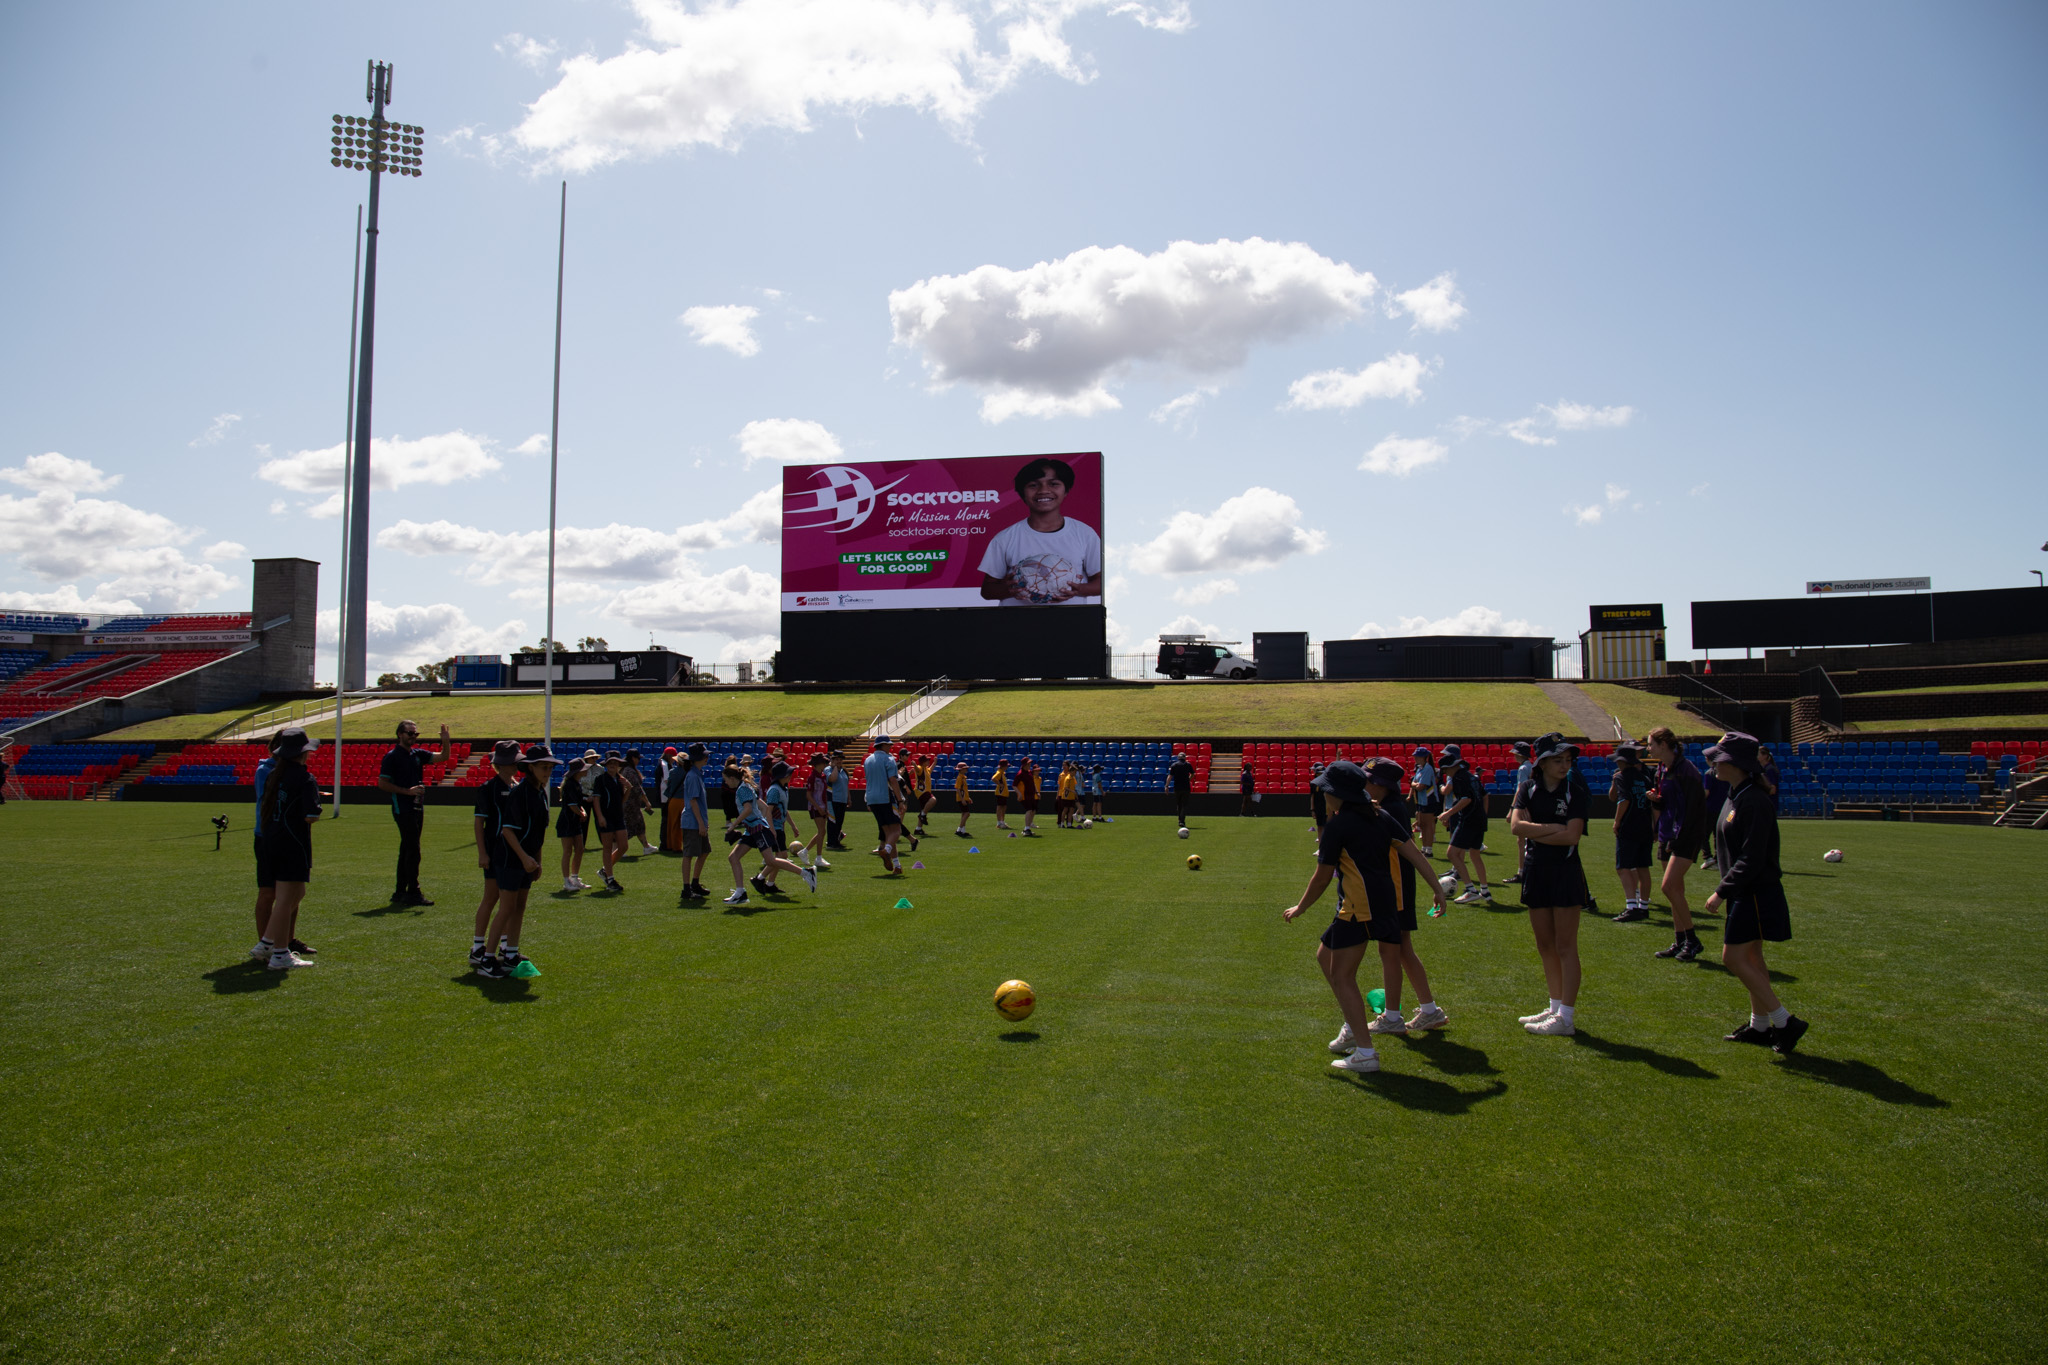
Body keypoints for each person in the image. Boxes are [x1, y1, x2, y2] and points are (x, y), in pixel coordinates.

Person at [1282, 759, 1445, 1075]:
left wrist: (1301, 907)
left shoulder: (1339, 825)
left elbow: (1322, 877)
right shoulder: (1380, 815)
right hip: (1385, 905)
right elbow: (1413, 852)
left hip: (1360, 908)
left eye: (1325, 790)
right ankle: (1353, 1026)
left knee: (1342, 976)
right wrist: (1437, 888)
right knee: (1324, 956)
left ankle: (1365, 1052)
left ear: (1337, 793)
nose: (1322, 794)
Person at [1701, 731, 1808, 1054]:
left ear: (1736, 764)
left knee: (1733, 958)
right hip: (1744, 891)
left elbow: (1752, 857)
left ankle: (1785, 1022)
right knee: (1752, 958)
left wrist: (1720, 892)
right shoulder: (1736, 794)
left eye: (1719, 760)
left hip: (1755, 893)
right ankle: (1760, 1026)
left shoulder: (1754, 800)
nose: (1713, 765)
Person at [1359, 759, 1449, 1035]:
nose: (1363, 784)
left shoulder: (1388, 811)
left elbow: (1406, 852)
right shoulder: (1390, 806)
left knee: (1390, 950)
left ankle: (1392, 1017)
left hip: (1394, 889)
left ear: (1381, 785)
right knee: (1402, 950)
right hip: (1397, 886)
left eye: (1368, 780)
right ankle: (1429, 1010)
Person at [1507, 733, 1589, 1036]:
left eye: (1567, 760)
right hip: (1536, 870)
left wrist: (1537, 831)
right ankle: (1554, 1007)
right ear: (1541, 763)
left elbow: (1572, 836)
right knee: (1545, 944)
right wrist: (1553, 828)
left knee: (1566, 946)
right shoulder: (1527, 788)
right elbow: (1516, 827)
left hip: (1565, 872)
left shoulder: (1575, 792)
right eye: (1557, 760)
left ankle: (1566, 1016)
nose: (1564, 765)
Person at [976, 456, 1104, 605]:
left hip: (1071, 618)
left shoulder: (1084, 533)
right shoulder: (1005, 538)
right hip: (1015, 618)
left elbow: (1100, 582)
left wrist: (1078, 589)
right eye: (1033, 485)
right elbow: (987, 590)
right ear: (1022, 493)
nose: (1043, 490)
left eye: (1053, 484)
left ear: (1066, 490)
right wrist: (1009, 589)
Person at [478, 742, 554, 978]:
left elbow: (538, 833)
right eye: (543, 767)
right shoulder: (520, 793)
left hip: (526, 860)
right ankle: (487, 959)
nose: (547, 772)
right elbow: (507, 831)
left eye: (550, 767)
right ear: (530, 768)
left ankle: (511, 953)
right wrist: (524, 858)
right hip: (510, 859)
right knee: (507, 907)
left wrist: (537, 861)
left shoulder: (540, 792)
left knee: (520, 906)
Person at [252, 728, 323, 972]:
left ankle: (266, 943)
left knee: (294, 894)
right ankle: (280, 953)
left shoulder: (273, 774)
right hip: (292, 842)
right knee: (284, 899)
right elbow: (311, 814)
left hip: (271, 839)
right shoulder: (304, 777)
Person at [1646, 726, 1709, 961]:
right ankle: (1680, 940)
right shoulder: (1662, 769)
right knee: (1675, 891)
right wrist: (1656, 800)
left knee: (1669, 887)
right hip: (1667, 833)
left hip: (1684, 835)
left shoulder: (1686, 770)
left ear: (1663, 745)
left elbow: (1694, 808)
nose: (1648, 749)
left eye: (1651, 744)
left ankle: (1692, 940)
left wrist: (1681, 837)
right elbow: (1666, 804)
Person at [376, 719, 449, 907]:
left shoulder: (417, 754)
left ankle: (400, 891)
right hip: (402, 807)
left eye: (415, 734)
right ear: (400, 734)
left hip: (417, 807)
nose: (413, 737)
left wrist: (445, 740)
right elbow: (382, 783)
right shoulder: (392, 757)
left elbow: (443, 757)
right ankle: (413, 891)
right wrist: (407, 791)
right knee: (413, 849)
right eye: (410, 733)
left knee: (407, 848)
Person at [726, 762, 817, 905]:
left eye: (725, 780)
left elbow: (748, 809)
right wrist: (761, 822)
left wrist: (733, 825)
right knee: (733, 857)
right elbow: (763, 807)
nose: (725, 783)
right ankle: (740, 892)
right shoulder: (746, 787)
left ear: (732, 778)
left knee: (771, 860)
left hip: (757, 829)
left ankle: (807, 873)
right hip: (753, 829)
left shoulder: (742, 789)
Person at [469, 740, 521, 969]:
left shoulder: (517, 786)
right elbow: (479, 823)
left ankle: (504, 945)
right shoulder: (488, 788)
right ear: (502, 764)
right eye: (512, 762)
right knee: (491, 898)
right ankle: (477, 947)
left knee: (508, 901)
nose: (516, 765)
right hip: (494, 850)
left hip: (512, 852)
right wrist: (482, 853)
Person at [1609, 743, 1658, 927]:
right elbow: (1653, 804)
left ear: (1622, 761)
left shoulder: (1622, 777)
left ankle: (1631, 906)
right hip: (1645, 826)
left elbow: (1623, 800)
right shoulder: (1644, 777)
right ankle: (1643, 906)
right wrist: (1655, 827)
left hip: (1629, 826)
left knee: (1623, 867)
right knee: (1643, 867)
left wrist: (1617, 821)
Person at [1439, 744, 1490, 903]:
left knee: (1452, 854)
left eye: (1445, 770)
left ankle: (1470, 889)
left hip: (1468, 820)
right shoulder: (1471, 777)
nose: (1445, 773)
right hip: (1479, 820)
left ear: (1451, 767)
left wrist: (1448, 813)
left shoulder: (1458, 778)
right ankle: (1485, 890)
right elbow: (1485, 796)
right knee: (1475, 854)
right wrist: (1483, 814)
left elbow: (1466, 799)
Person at [864, 736, 911, 874]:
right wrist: (900, 800)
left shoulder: (867, 760)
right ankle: (886, 850)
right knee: (896, 830)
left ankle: (897, 866)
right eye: (889, 745)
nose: (891, 747)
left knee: (888, 832)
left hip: (872, 798)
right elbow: (893, 780)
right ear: (883, 745)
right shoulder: (888, 759)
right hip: (885, 797)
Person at [674, 743, 712, 901]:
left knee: (704, 851)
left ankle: (694, 883)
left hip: (696, 820)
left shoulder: (697, 774)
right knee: (689, 854)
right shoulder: (692, 776)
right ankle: (686, 888)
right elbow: (693, 801)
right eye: (705, 756)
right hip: (692, 822)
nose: (707, 758)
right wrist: (700, 823)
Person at [590, 752, 629, 892]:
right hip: (606, 816)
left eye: (615, 763)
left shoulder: (620, 780)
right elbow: (596, 799)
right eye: (610, 763)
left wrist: (629, 788)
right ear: (606, 765)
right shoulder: (601, 779)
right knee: (607, 847)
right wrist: (600, 816)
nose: (613, 765)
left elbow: (622, 800)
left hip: (617, 816)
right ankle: (610, 879)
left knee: (623, 846)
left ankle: (605, 870)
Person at [556, 757, 589, 893]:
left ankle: (574, 877)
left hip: (575, 821)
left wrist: (582, 812)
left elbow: (578, 804)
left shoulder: (577, 784)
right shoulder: (570, 785)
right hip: (567, 822)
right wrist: (582, 814)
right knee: (568, 851)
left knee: (580, 849)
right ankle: (566, 881)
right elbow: (572, 805)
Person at [1504, 741, 1533, 883]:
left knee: (1522, 840)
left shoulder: (1523, 768)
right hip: (1531, 805)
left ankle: (1522, 872)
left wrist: (1512, 809)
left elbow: (1520, 789)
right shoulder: (1531, 766)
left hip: (1524, 807)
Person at [800, 753, 832, 869]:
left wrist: (825, 808)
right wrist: (818, 807)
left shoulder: (822, 776)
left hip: (822, 806)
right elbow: (809, 795)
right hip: (816, 807)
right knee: (821, 831)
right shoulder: (813, 777)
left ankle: (805, 851)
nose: (825, 764)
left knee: (822, 832)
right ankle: (818, 857)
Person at [622, 749, 657, 855]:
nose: (638, 761)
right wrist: (647, 802)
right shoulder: (630, 771)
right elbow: (637, 788)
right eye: (637, 758)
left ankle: (646, 846)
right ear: (633, 758)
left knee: (639, 825)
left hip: (631, 804)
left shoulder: (626, 769)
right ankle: (619, 849)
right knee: (629, 827)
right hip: (630, 805)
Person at [1410, 747, 1441, 855]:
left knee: (1427, 825)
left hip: (1429, 799)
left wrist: (1415, 785)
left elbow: (1420, 786)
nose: (1415, 758)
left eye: (1417, 756)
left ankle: (1429, 849)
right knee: (1422, 824)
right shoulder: (1420, 768)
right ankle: (1424, 848)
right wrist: (1415, 785)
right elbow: (1413, 783)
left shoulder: (1428, 769)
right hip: (1422, 800)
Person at [826, 754, 851, 850]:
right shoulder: (828, 769)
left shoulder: (844, 771)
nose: (839, 761)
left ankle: (836, 841)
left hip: (842, 800)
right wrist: (835, 767)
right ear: (832, 760)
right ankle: (830, 843)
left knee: (839, 822)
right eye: (836, 759)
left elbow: (846, 786)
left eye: (840, 759)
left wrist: (849, 798)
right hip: (833, 799)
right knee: (832, 822)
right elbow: (832, 779)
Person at [1166, 750, 1193, 830]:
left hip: (1177, 788)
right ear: (1185, 758)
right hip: (1186, 787)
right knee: (1184, 804)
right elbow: (1192, 774)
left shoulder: (1174, 765)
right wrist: (1188, 779)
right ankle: (1182, 820)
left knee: (1179, 804)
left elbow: (1170, 776)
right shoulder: (1188, 765)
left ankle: (1180, 820)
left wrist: (1166, 786)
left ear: (1178, 758)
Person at [1016, 756, 1041, 835]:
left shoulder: (1029, 772)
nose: (1030, 765)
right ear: (1025, 765)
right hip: (1024, 795)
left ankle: (1027, 828)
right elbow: (1014, 785)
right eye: (1028, 764)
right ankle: (1027, 829)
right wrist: (1019, 794)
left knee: (1032, 810)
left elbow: (1033, 783)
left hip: (1031, 795)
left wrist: (1037, 792)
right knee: (1029, 810)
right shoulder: (1020, 774)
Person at [916, 755, 940, 833]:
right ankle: (922, 815)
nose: (928, 761)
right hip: (922, 792)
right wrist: (914, 765)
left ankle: (918, 829)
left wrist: (935, 762)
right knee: (933, 800)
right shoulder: (920, 768)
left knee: (924, 809)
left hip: (925, 791)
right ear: (923, 762)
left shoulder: (926, 769)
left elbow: (931, 769)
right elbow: (917, 769)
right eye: (927, 760)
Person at [1056, 760, 1080, 828]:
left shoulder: (1073, 778)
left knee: (1071, 810)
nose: (1075, 773)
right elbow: (1065, 787)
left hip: (1071, 797)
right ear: (1071, 771)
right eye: (1074, 772)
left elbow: (1073, 786)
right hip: (1066, 796)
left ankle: (1069, 824)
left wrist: (1075, 794)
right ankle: (1062, 823)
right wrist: (1073, 792)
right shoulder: (1067, 778)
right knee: (1065, 809)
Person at [1308, 762, 1328, 836]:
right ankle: (1320, 841)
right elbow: (1312, 797)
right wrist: (1312, 810)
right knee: (1320, 826)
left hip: (1327, 808)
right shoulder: (1313, 783)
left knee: (1327, 826)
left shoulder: (1327, 783)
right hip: (1318, 808)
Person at [992, 758, 1012, 829]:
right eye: (1006, 766)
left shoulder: (1002, 773)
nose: (1007, 767)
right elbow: (993, 778)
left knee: (1004, 807)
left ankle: (1002, 821)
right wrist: (1000, 784)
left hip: (1003, 793)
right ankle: (999, 822)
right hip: (1000, 793)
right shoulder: (999, 772)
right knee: (1000, 807)